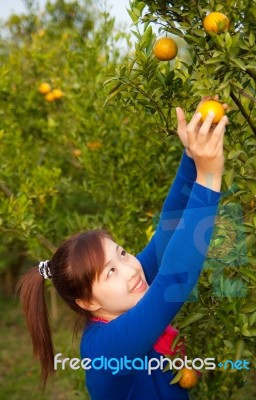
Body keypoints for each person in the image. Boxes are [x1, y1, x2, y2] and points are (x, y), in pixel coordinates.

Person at [17, 97, 228, 400]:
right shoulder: (104, 350)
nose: (131, 268)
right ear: (87, 302)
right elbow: (174, 281)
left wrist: (192, 156)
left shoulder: (130, 287)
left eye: (123, 253)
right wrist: (209, 178)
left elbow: (167, 231)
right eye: (111, 271)